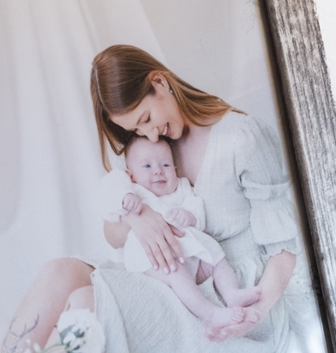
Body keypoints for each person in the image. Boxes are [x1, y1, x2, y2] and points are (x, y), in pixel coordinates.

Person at [0, 44, 300, 353]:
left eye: (146, 119)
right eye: (139, 128)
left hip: (227, 293)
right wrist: (140, 218)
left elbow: (283, 249)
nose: (150, 134)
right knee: (60, 272)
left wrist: (256, 312)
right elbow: (112, 233)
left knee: (89, 302)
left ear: (160, 83)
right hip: (168, 272)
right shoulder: (151, 144)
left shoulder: (242, 137)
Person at [100, 135, 262, 332]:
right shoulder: (133, 189)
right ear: (131, 175)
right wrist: (125, 197)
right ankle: (211, 314)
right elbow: (109, 187)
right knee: (174, 271)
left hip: (189, 251)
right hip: (153, 260)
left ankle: (231, 293)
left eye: (165, 165)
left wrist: (190, 216)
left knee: (216, 257)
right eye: (147, 166)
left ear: (175, 169)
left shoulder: (181, 187)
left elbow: (196, 206)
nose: (158, 171)